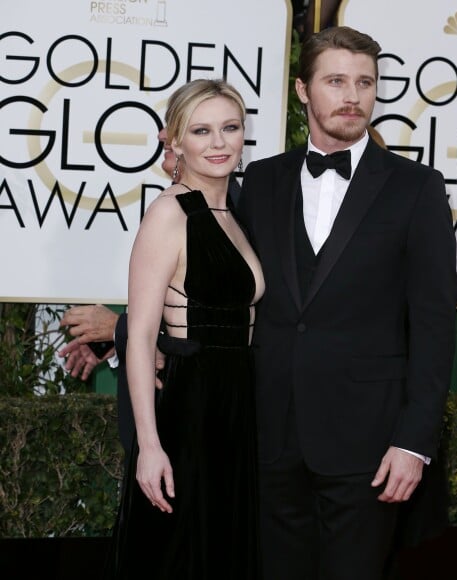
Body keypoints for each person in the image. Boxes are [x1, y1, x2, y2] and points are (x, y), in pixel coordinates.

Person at [237, 26, 457, 580]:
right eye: (336, 81)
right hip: (270, 438)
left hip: (369, 445)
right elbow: (223, 297)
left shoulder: (417, 188)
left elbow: (434, 327)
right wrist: (122, 332)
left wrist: (414, 442)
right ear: (301, 91)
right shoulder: (261, 181)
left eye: (365, 82)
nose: (353, 96)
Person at [104, 78, 265, 579]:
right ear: (175, 141)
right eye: (201, 131)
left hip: (237, 410)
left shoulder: (236, 212)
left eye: (229, 128)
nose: (218, 143)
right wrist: (149, 446)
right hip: (189, 411)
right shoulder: (169, 214)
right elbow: (141, 338)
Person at [59, 128, 242, 461]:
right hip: (166, 420)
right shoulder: (177, 204)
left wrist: (118, 327)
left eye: (178, 126)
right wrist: (117, 338)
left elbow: (219, 327)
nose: (161, 135)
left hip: (197, 419)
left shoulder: (236, 211)